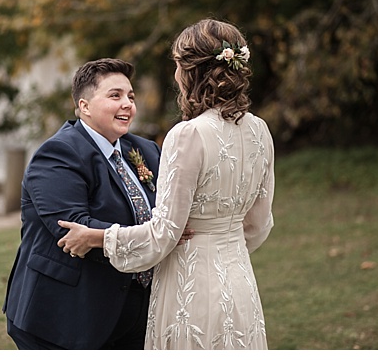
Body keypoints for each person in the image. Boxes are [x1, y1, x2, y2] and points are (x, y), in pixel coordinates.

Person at [57, 18, 274, 350]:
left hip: (191, 285)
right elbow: (259, 226)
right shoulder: (260, 130)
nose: (175, 75)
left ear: (190, 72)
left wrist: (97, 238)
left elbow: (162, 235)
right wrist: (223, 243)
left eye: (176, 66)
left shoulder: (187, 135)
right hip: (241, 281)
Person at [4, 58, 160, 350]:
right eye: (115, 96)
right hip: (64, 315)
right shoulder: (58, 154)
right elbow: (75, 230)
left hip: (135, 310)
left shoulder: (145, 150)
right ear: (84, 106)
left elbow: (168, 210)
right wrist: (160, 236)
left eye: (131, 96)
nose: (127, 104)